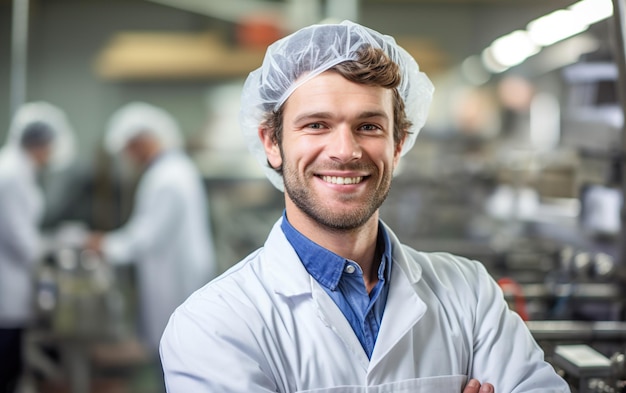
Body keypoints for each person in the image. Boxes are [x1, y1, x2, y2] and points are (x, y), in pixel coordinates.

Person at [160, 21, 571, 392]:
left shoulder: (470, 294)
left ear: (398, 142)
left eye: (369, 126)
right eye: (316, 124)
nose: (345, 151)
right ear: (272, 142)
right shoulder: (213, 324)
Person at [85, 102, 216, 354]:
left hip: (176, 280)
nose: (129, 158)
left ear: (142, 143)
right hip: (178, 274)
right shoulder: (174, 169)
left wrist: (107, 246)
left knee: (177, 353)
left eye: (129, 150)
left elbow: (148, 235)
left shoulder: (166, 177)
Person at [0, 102, 75, 393]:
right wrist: (56, 246)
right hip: (7, 286)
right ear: (41, 143)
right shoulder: (11, 175)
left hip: (12, 282)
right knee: (6, 365)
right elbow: (21, 240)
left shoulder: (18, 170)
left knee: (12, 364)